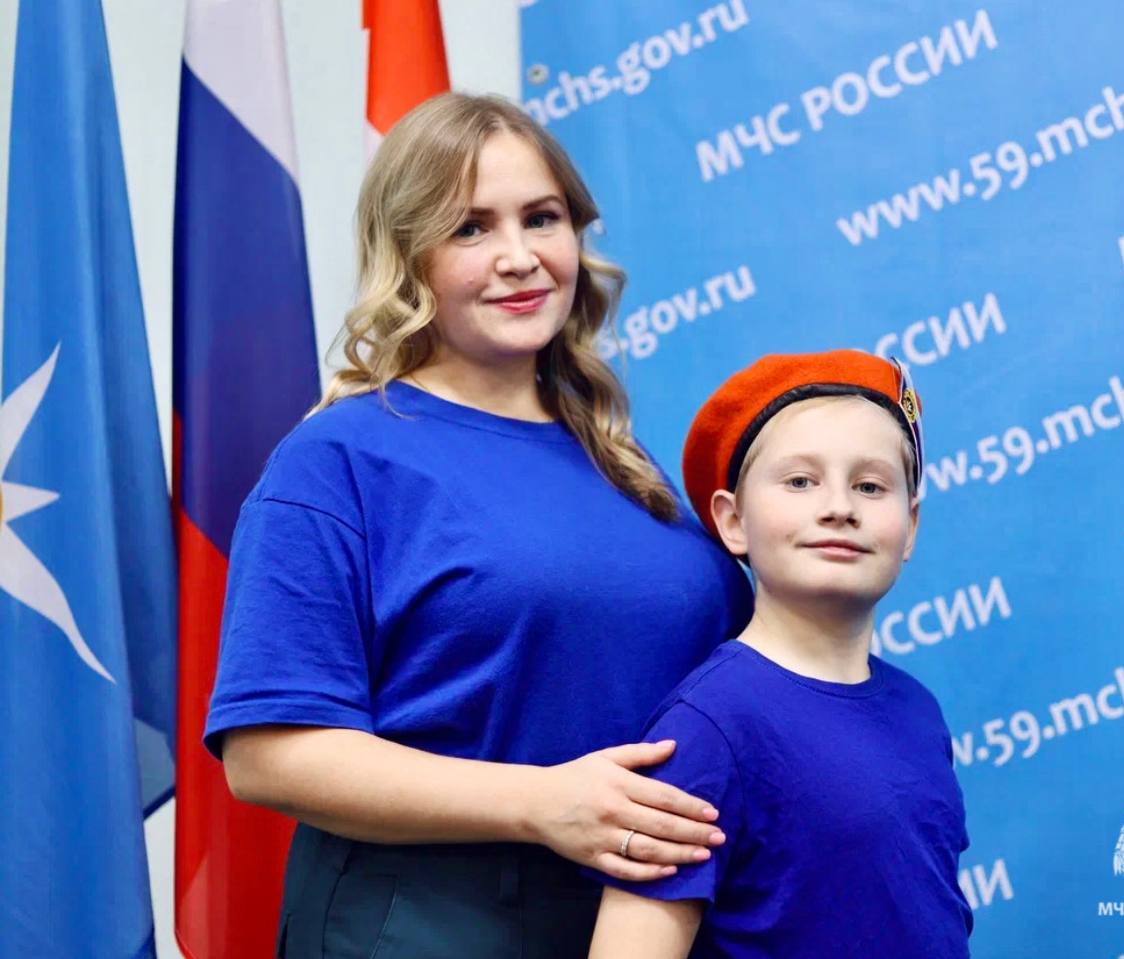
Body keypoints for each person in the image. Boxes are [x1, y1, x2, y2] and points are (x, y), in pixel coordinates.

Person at [203, 93, 753, 958]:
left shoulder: (621, 457)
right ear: (408, 255)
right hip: (430, 919)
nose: (519, 257)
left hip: (643, 917)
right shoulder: (337, 459)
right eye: (470, 228)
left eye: (542, 218)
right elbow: (268, 754)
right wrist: (539, 802)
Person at [587, 350, 973, 958]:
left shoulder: (918, 711)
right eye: (800, 482)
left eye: (870, 486)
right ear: (733, 521)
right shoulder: (710, 726)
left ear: (911, 527)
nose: (839, 507)